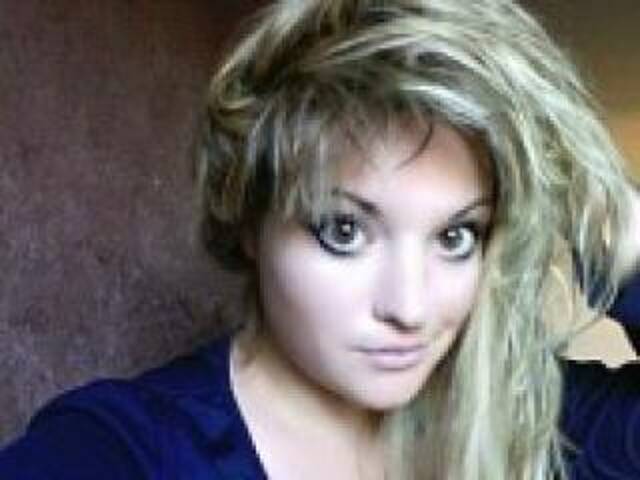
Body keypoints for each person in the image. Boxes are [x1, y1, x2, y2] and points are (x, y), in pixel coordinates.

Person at [1, 0, 639, 478]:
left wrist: (624, 243)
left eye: (455, 236)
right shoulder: (123, 451)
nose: (410, 309)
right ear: (249, 221)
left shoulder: (525, 422)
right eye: (344, 231)